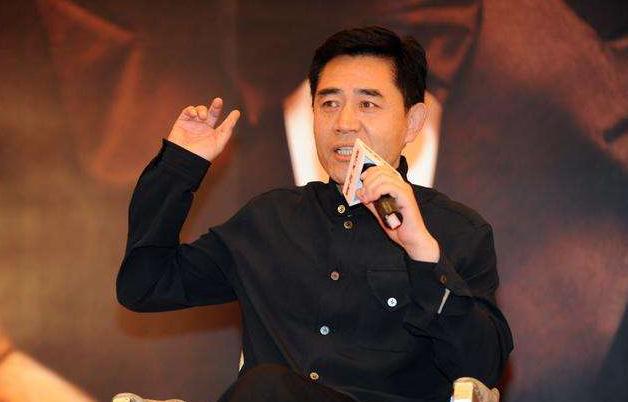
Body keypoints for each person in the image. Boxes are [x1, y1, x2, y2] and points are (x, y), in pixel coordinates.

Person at [116, 26, 513, 402]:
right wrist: (180, 166)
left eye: (368, 104)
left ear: (412, 122)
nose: (344, 123)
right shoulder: (270, 220)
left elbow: (482, 367)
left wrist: (423, 254)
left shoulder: (456, 232)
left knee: (265, 388)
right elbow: (145, 286)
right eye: (329, 103)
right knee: (266, 388)